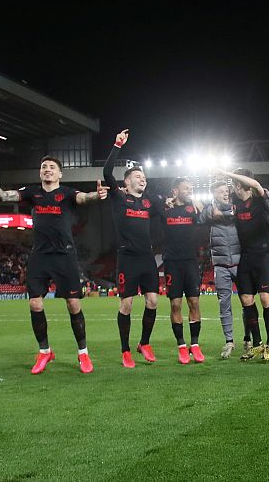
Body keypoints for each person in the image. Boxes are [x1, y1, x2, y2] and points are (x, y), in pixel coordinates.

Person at [0, 153, 107, 374]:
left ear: (60, 173)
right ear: (40, 172)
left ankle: (83, 353)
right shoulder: (32, 193)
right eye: (44, 166)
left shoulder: (67, 193)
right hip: (40, 255)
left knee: (73, 304)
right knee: (35, 304)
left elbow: (84, 198)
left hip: (64, 255)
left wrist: (97, 195)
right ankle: (45, 351)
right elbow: (3, 196)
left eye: (52, 167)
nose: (47, 169)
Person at [104, 129, 165, 368]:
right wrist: (117, 145)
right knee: (126, 304)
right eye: (138, 176)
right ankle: (125, 350)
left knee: (153, 301)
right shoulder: (119, 198)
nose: (143, 179)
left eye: (144, 177)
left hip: (147, 258)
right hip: (127, 258)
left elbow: (168, 209)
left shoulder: (149, 203)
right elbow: (107, 172)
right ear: (127, 181)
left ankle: (144, 343)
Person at [217, 168, 269, 361]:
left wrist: (228, 173)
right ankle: (257, 345)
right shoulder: (235, 202)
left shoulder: (260, 199)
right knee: (246, 300)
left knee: (265, 299)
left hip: (264, 255)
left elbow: (256, 185)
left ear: (239, 184)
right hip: (246, 256)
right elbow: (215, 202)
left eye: (235, 184)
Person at [157, 177, 204, 364]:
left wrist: (197, 203)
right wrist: (164, 200)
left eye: (191, 188)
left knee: (194, 302)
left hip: (191, 261)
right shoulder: (165, 209)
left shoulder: (194, 208)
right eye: (186, 188)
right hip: (172, 263)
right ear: (175, 191)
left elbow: (205, 215)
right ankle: (182, 346)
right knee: (175, 305)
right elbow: (151, 203)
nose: (189, 191)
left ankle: (195, 345)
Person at [200, 181, 245, 359]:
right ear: (213, 194)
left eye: (226, 191)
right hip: (220, 265)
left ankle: (248, 339)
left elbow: (233, 214)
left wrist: (222, 210)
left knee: (247, 302)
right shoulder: (209, 210)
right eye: (221, 191)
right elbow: (203, 218)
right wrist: (212, 206)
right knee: (224, 305)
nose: (225, 194)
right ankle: (229, 341)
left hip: (240, 263)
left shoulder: (237, 208)